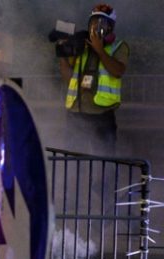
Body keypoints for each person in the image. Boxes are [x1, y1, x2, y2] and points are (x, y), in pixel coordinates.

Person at [60, 3, 128, 154]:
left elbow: (118, 71)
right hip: (76, 114)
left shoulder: (119, 47)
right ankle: (76, 178)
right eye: (93, 21)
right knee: (72, 160)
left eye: (102, 22)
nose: (96, 26)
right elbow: (68, 78)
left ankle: (104, 179)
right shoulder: (82, 48)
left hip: (101, 116)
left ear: (111, 26)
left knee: (104, 161)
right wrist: (63, 54)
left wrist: (100, 51)